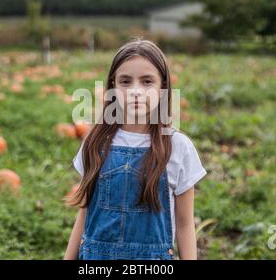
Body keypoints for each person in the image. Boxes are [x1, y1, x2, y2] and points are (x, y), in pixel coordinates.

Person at [64, 38, 207, 260]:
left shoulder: (178, 147)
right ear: (113, 87)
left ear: (163, 88)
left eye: (147, 81)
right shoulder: (95, 143)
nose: (135, 91)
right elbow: (85, 214)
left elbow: (185, 224)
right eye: (125, 81)